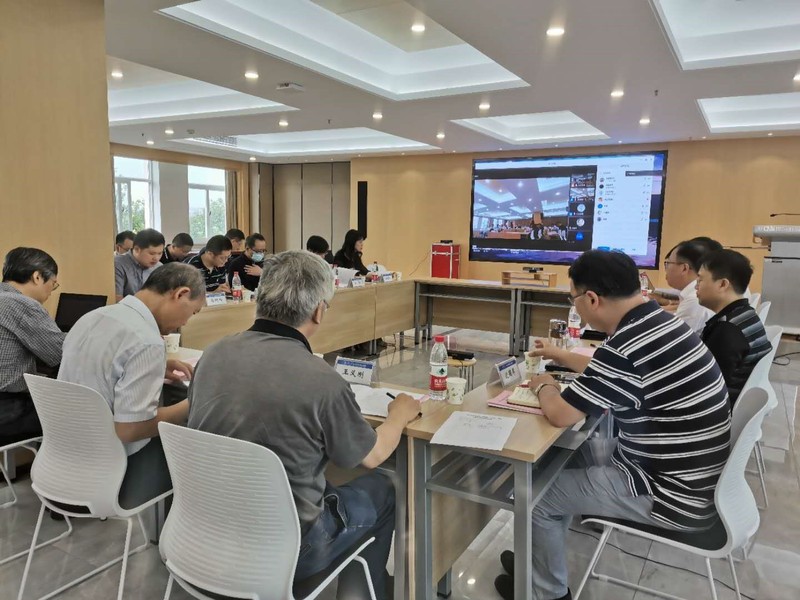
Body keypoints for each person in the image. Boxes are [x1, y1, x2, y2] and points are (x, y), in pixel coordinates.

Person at [493, 250, 730, 600]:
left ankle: (548, 593)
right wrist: (561, 357)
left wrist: (544, 385)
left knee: (536, 498)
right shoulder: (657, 322)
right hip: (684, 471)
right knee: (566, 454)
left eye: (573, 299)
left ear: (591, 299)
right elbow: (611, 372)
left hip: (668, 492)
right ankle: (537, 560)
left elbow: (560, 414)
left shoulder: (626, 345)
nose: (575, 306)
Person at [187, 250, 420, 600]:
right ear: (319, 311)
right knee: (383, 489)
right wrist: (398, 415)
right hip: (285, 550)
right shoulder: (320, 380)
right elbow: (371, 456)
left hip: (203, 533)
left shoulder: (213, 354)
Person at [58, 263, 205, 509]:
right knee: (195, 447)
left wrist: (157, 366)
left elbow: (100, 368)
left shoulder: (92, 317)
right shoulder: (146, 340)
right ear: (180, 294)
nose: (186, 322)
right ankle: (175, 530)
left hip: (68, 453)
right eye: (193, 312)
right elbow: (131, 430)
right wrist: (193, 404)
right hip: (115, 466)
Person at [0, 248, 65, 443]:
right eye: (53, 284)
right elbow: (61, 353)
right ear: (37, 277)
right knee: (77, 411)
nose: (51, 291)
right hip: (8, 410)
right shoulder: (22, 304)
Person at [697, 249, 772, 404]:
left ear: (722, 284)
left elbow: (705, 385)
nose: (696, 287)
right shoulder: (746, 314)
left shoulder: (727, 330)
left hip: (717, 409)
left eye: (700, 280)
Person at [662, 240, 714, 333]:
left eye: (668, 263)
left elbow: (672, 336)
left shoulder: (695, 299)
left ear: (684, 268)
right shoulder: (693, 294)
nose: (666, 269)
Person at [114, 228, 164, 302]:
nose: (156, 258)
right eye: (152, 253)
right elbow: (117, 299)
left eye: (160, 253)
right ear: (137, 249)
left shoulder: (159, 267)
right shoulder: (118, 264)